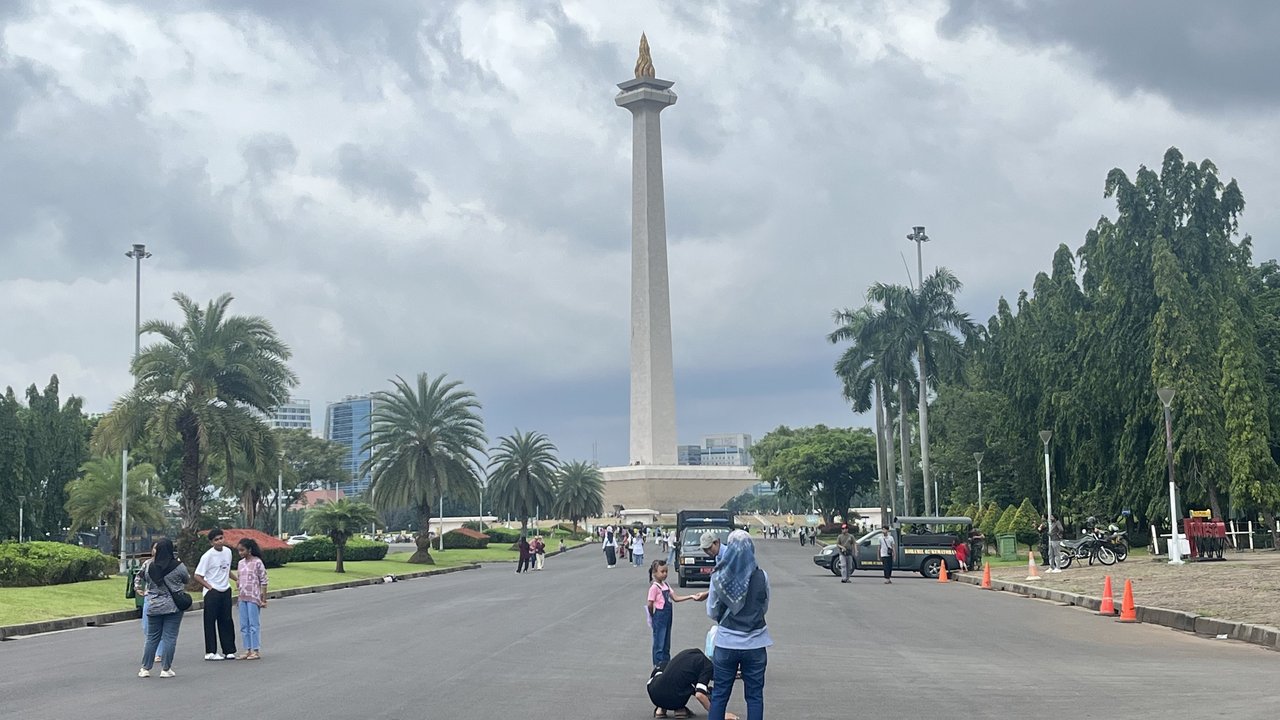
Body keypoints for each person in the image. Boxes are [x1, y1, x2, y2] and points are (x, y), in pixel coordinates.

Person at [705, 530, 770, 720]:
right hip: (755, 644)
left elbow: (711, 611)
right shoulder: (761, 576)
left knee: (719, 696)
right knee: (755, 696)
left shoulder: (718, 576)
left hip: (726, 643)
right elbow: (763, 608)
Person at [138, 538, 189, 678]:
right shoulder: (178, 566)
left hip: (153, 605)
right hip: (173, 605)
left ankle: (145, 668)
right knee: (169, 637)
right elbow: (186, 579)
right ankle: (165, 669)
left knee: (152, 638)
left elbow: (144, 579)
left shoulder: (149, 565)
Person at [647, 648, 738, 720]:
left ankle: (661, 709)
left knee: (663, 666)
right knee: (690, 686)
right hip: (675, 700)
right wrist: (718, 714)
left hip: (654, 695)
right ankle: (679, 709)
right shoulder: (708, 667)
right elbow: (699, 695)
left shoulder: (694, 654)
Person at [647, 560, 707, 668]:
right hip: (659, 616)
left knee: (666, 642)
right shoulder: (654, 588)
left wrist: (691, 596)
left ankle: (666, 665)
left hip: (668, 616)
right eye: (662, 572)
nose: (665, 574)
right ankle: (658, 666)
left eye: (666, 571)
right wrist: (652, 616)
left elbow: (676, 598)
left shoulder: (666, 585)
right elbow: (650, 604)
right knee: (659, 643)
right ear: (654, 573)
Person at [195, 527, 237, 661]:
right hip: (212, 591)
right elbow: (198, 575)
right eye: (216, 540)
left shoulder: (228, 552)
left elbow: (226, 569)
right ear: (211, 542)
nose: (219, 541)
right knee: (210, 621)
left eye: (221, 538)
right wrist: (209, 587)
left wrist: (237, 579)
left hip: (225, 589)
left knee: (226, 620)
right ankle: (210, 651)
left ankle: (229, 650)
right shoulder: (207, 556)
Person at [134, 545, 171, 667]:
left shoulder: (171, 564)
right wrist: (138, 588)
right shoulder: (148, 564)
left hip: (166, 599)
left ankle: (159, 653)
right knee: (146, 626)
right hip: (150, 599)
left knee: (163, 627)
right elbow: (139, 576)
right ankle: (152, 651)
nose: (156, 551)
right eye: (154, 548)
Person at [231, 538, 268, 660]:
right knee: (244, 625)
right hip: (242, 597)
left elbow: (263, 581)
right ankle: (247, 649)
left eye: (242, 550)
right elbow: (239, 578)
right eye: (239, 551)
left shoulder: (257, 562)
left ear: (249, 550)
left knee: (253, 624)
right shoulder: (241, 563)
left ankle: (255, 650)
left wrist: (263, 598)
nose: (240, 553)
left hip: (254, 597)